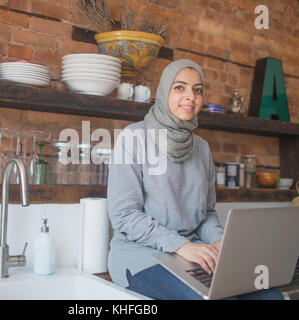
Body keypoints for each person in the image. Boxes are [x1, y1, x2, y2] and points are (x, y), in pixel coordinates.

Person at [106, 59, 284, 300]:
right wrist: (182, 246)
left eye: (197, 90)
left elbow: (207, 214)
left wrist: (222, 242)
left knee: (269, 294)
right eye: (180, 87)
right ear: (164, 91)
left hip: (194, 250)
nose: (190, 96)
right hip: (142, 254)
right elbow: (124, 215)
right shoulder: (133, 137)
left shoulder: (202, 148)